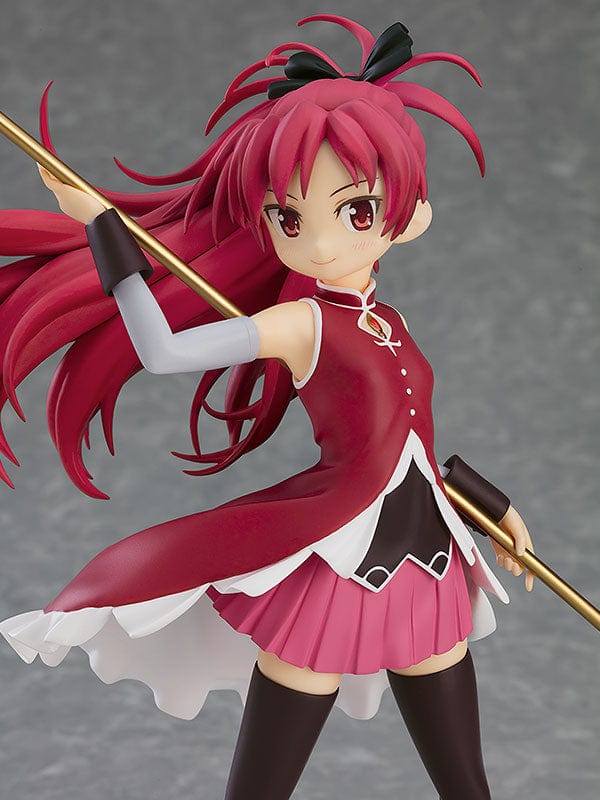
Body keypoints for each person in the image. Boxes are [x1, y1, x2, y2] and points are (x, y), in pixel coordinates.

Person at [0, 15, 534, 800]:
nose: (319, 245)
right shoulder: (303, 323)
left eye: (355, 211)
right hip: (336, 563)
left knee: (466, 784)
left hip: (427, 559)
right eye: (289, 219)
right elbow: (164, 352)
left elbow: (410, 440)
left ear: (410, 212)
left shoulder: (389, 321)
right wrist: (107, 232)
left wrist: (494, 506)